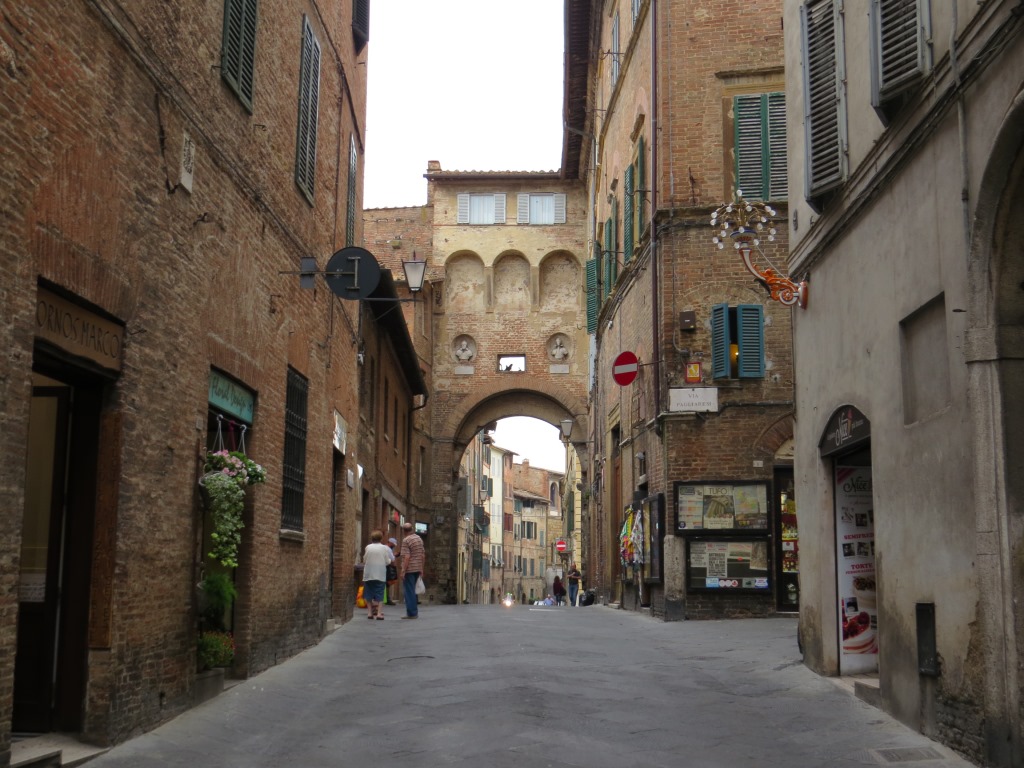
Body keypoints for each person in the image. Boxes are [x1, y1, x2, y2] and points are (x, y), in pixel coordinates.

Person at [361, 530, 394, 620]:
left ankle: (369, 613)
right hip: (380, 574)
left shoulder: (368, 547)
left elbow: (364, 560)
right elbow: (387, 561)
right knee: (379, 593)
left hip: (369, 574)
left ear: (372, 538)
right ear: (381, 538)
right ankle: (379, 614)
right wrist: (390, 561)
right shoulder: (384, 548)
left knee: (368, 593)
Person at [398, 521, 425, 619]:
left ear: (403, 531)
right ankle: (414, 611)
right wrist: (421, 568)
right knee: (413, 590)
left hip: (409, 569)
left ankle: (411, 613)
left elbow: (407, 557)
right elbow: (422, 555)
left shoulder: (406, 540)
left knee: (409, 591)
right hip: (417, 568)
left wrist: (403, 571)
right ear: (412, 529)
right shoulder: (419, 538)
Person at [385, 538, 399, 605]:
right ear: (390, 542)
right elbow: (392, 560)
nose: (393, 546)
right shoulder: (388, 549)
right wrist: (395, 556)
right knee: (388, 582)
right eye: (393, 544)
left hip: (384, 567)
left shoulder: (384, 548)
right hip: (387, 567)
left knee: (387, 583)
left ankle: (387, 598)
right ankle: (387, 599)